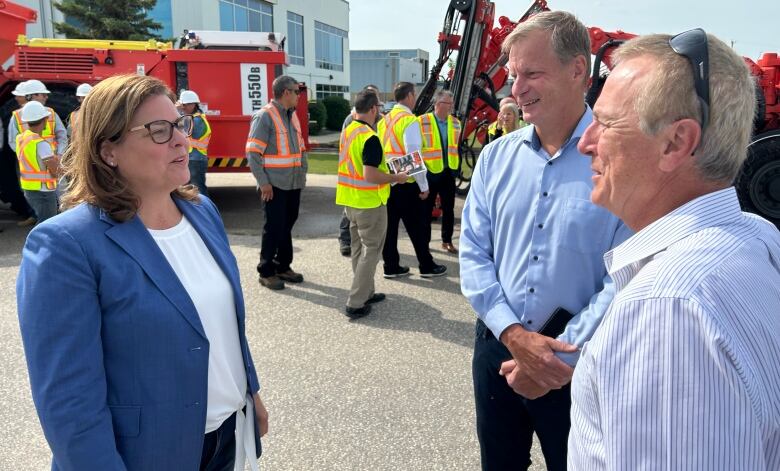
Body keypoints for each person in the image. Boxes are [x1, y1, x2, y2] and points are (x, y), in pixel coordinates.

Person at [17, 74, 269, 471]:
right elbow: (69, 401)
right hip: (148, 455)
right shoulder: (67, 245)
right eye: (158, 131)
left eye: (179, 125)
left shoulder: (201, 211)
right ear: (108, 151)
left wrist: (248, 392)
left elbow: (221, 325)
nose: (181, 140)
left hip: (230, 434)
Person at [569, 30, 780, 470]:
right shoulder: (757, 238)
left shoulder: (668, 309)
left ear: (675, 143)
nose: (585, 142)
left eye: (605, 123)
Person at [459, 11, 631, 471]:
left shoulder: (619, 161)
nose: (516, 89)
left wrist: (558, 359)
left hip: (577, 360)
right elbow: (474, 252)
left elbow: (626, 273)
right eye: (514, 75)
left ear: (579, 70)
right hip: (499, 345)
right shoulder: (496, 159)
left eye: (531, 73)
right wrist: (515, 337)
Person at [336, 89, 408, 319]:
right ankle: (356, 301)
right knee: (371, 253)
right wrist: (396, 177)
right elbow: (370, 174)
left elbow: (357, 165)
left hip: (351, 202)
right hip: (370, 203)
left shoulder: (348, 131)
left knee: (358, 250)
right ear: (373, 109)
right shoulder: (370, 137)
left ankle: (366, 292)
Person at [377, 81, 447, 278]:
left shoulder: (384, 121)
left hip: (388, 181)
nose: (415, 99)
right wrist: (423, 185)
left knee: (389, 229)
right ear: (409, 96)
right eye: (414, 95)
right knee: (417, 227)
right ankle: (426, 265)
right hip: (406, 183)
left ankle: (391, 266)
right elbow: (413, 155)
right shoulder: (409, 120)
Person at [246, 75, 307, 290]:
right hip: (274, 185)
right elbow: (253, 153)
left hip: (292, 183)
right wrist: (263, 183)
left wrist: (302, 175)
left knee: (285, 225)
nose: (299, 96)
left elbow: (299, 149)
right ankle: (266, 270)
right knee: (273, 227)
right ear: (286, 93)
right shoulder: (265, 116)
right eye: (296, 91)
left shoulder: (292, 116)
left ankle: (282, 265)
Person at [338, 84, 382, 257]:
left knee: (354, 218)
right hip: (356, 174)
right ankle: (344, 239)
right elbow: (348, 145)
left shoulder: (379, 119)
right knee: (349, 215)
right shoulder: (352, 120)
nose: (378, 107)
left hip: (368, 168)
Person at [418, 89, 461, 254]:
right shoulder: (422, 121)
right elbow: (416, 148)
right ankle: (424, 242)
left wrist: (456, 169)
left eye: (451, 103)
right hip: (429, 173)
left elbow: (457, 147)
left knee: (449, 209)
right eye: (446, 103)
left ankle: (447, 241)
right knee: (426, 211)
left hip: (448, 172)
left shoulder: (456, 122)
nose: (450, 107)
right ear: (436, 104)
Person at [15, 101, 60, 225]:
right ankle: (39, 245)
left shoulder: (21, 138)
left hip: (29, 188)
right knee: (47, 224)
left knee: (42, 222)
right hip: (44, 191)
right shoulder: (41, 144)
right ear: (44, 119)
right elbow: (55, 170)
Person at [1, 80, 36, 226]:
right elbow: (11, 139)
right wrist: (22, 154)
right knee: (27, 187)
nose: (16, 98)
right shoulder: (16, 115)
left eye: (19, 95)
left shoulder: (47, 113)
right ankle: (33, 214)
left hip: (43, 156)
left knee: (49, 188)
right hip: (25, 158)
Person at [9, 79, 68, 160]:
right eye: (43, 95)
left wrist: (60, 154)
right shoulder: (16, 116)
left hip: (51, 161)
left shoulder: (51, 113)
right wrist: (26, 157)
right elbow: (13, 142)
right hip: (30, 164)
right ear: (31, 96)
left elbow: (62, 136)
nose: (46, 97)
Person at [179, 89, 211, 195]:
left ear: (193, 105)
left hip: (195, 160)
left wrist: (176, 110)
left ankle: (203, 210)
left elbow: (178, 126)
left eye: (185, 105)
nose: (183, 107)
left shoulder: (195, 120)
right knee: (190, 190)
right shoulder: (194, 118)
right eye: (182, 105)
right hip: (194, 158)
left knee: (198, 190)